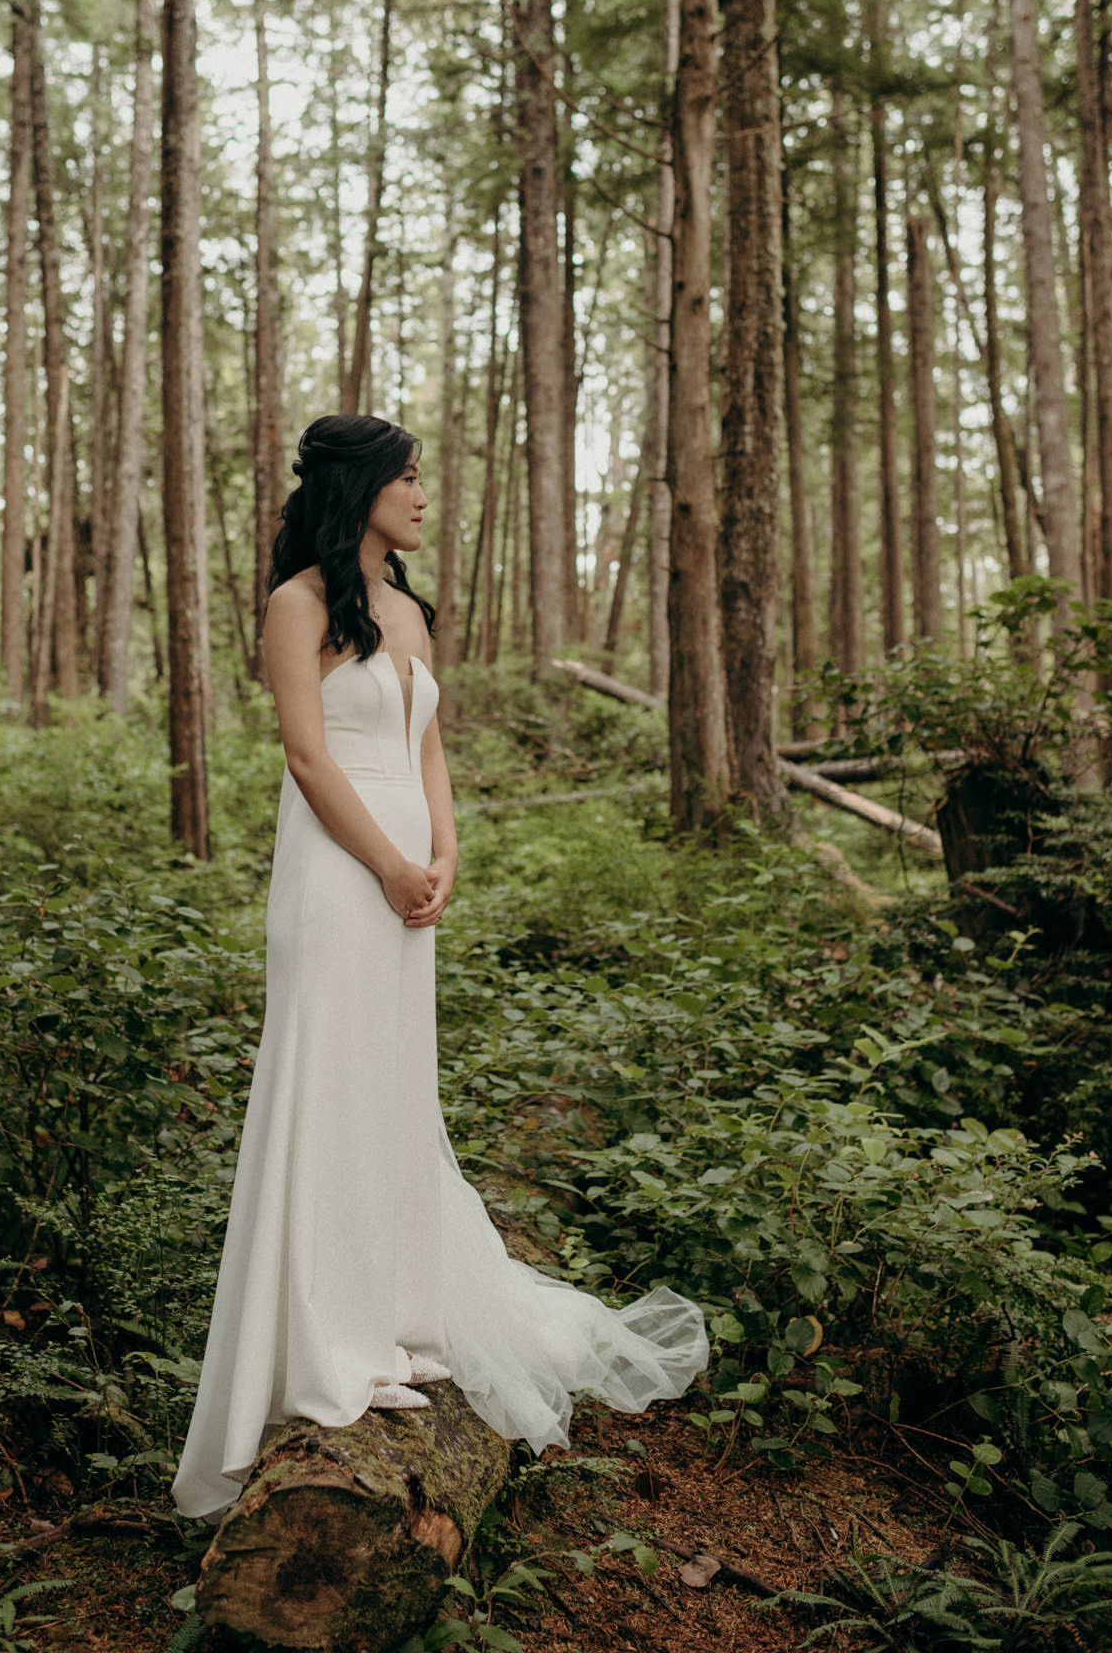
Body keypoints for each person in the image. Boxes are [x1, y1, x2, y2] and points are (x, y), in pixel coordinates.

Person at [170, 414, 707, 1521]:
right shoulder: (296, 604)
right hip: (335, 878)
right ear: (359, 484)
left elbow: (425, 746)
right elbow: (308, 754)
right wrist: (382, 863)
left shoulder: (406, 607)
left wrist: (444, 852)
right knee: (329, 1084)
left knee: (389, 1092)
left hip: (409, 877)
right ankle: (324, 1343)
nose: (422, 492)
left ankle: (395, 1308)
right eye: (407, 476)